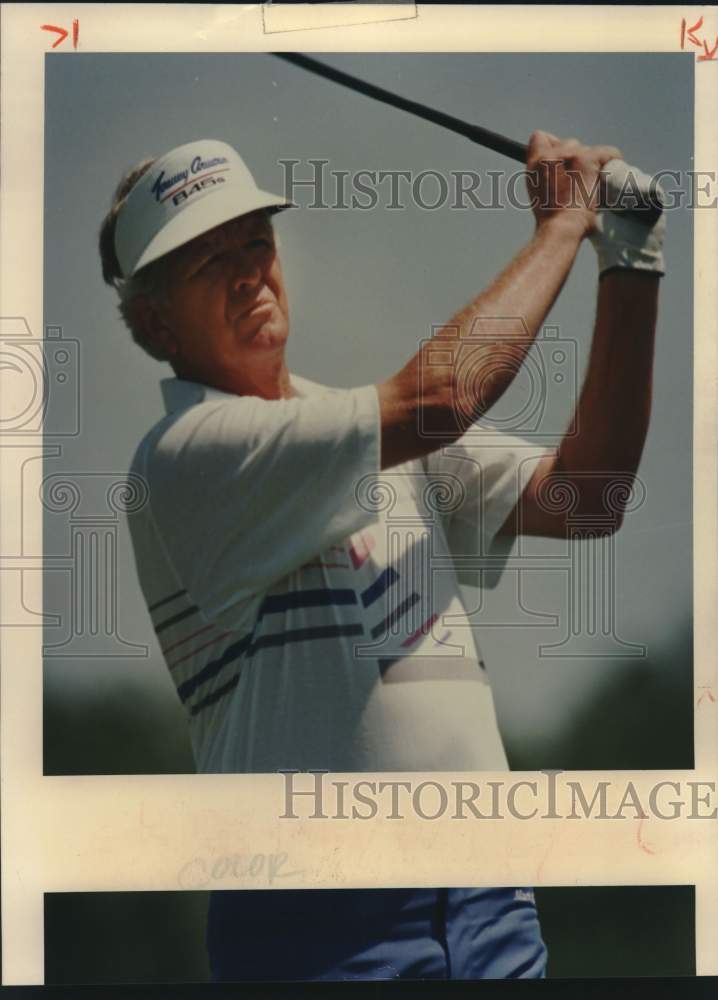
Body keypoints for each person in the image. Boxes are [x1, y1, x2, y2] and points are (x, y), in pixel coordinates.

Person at [99, 133, 664, 981]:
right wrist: (562, 228)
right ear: (153, 321)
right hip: (317, 919)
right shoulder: (186, 455)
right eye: (206, 261)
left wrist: (629, 261)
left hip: (490, 903)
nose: (249, 270)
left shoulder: (371, 433)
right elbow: (443, 396)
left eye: (255, 239)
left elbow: (591, 496)